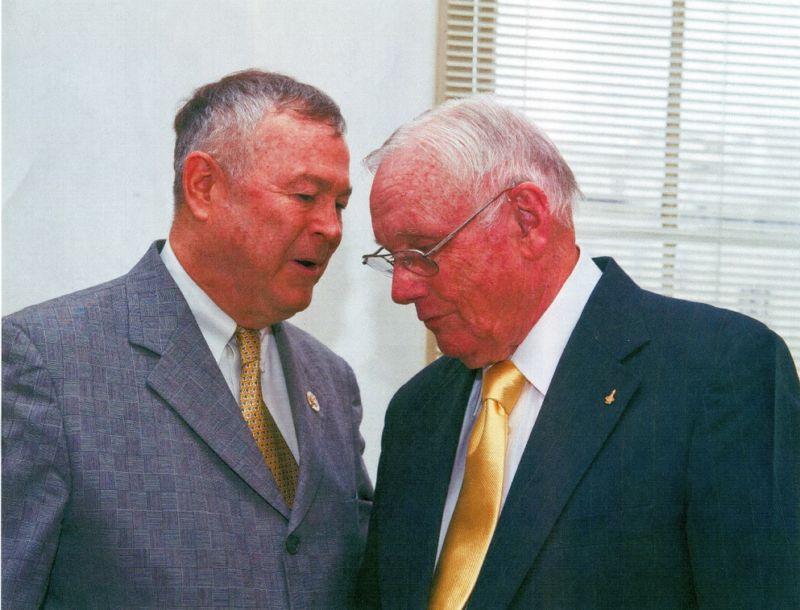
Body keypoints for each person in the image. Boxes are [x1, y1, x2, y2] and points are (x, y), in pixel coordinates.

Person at [356, 96, 799, 609]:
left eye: (423, 252)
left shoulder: (717, 373)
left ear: (527, 218)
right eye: (393, 258)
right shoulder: (417, 412)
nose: (402, 289)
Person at [3, 69, 373, 608]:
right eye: (304, 195)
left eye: (338, 204)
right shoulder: (47, 364)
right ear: (204, 187)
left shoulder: (332, 384)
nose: (332, 228)